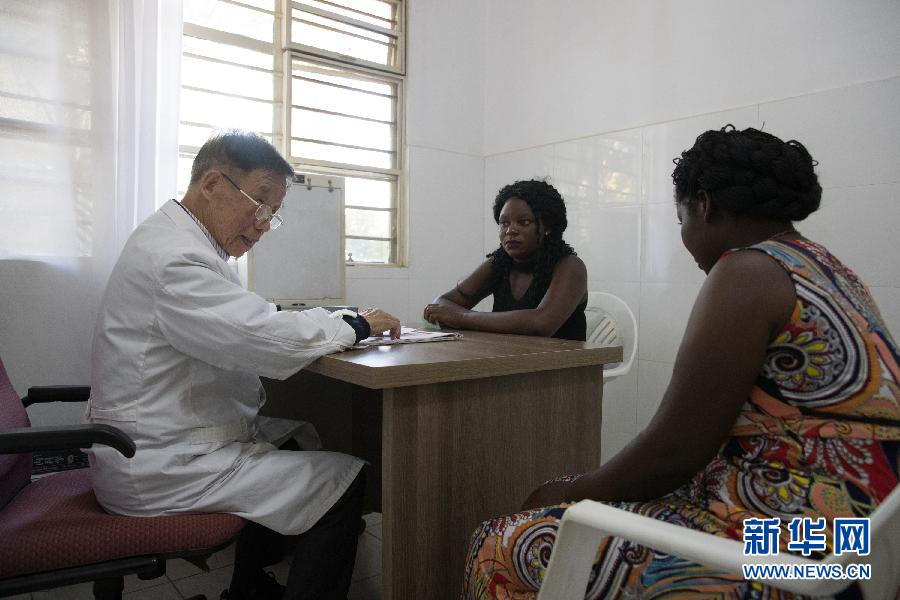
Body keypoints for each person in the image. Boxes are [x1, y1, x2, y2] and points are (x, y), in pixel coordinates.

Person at [462, 126, 900, 598]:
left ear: (704, 204)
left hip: (807, 550)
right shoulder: (823, 265)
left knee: (499, 543)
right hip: (868, 537)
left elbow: (671, 455)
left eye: (680, 218)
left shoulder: (747, 270)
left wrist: (565, 490)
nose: (684, 237)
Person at [86, 130, 401, 600]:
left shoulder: (182, 241)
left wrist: (331, 321)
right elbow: (260, 337)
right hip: (159, 465)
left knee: (297, 438)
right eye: (261, 202)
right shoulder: (174, 258)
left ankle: (248, 588)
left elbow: (249, 319)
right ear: (213, 183)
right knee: (346, 478)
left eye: (273, 213)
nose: (263, 224)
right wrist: (357, 324)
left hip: (162, 441)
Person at [423, 179, 588, 340]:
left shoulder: (571, 266)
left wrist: (462, 317)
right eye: (504, 223)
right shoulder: (500, 263)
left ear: (548, 226)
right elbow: (440, 304)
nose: (510, 230)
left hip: (565, 359)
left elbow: (541, 323)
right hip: (509, 357)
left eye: (524, 222)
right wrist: (451, 315)